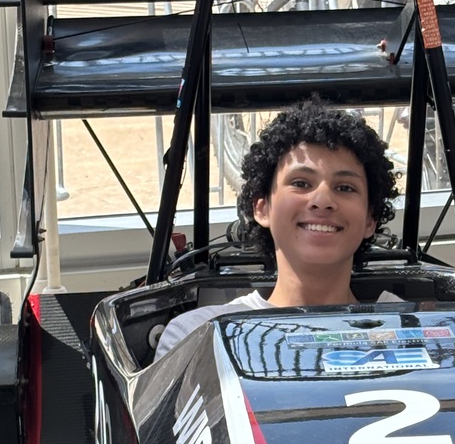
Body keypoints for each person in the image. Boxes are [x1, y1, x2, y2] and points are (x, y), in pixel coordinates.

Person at [154, 96, 400, 359]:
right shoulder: (195, 335)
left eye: (345, 188)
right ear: (261, 208)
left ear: (370, 219)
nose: (323, 201)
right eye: (301, 183)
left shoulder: (415, 322)